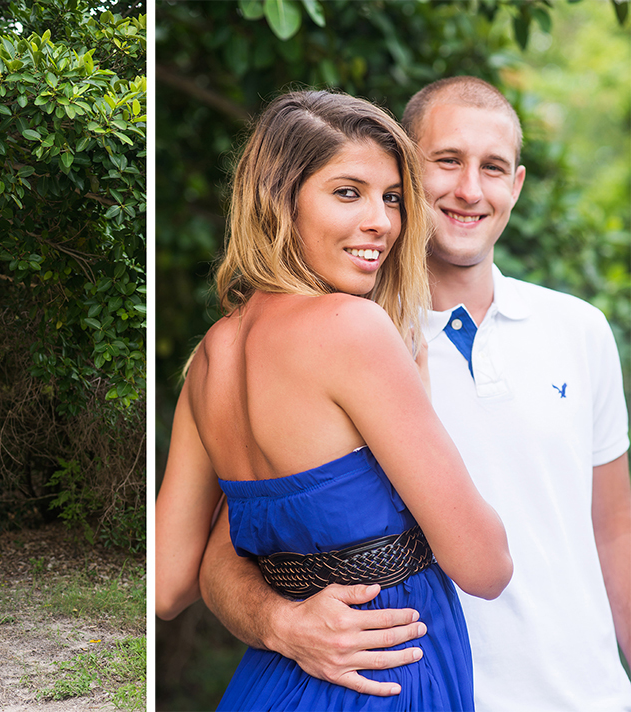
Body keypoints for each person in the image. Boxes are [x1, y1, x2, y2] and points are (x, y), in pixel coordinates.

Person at [183, 77, 631, 710]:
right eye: (446, 161)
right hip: (419, 684)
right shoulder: (338, 339)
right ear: (406, 167)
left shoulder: (580, 329)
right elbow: (225, 557)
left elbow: (616, 534)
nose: (471, 189)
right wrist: (281, 624)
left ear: (517, 185)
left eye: (493, 168)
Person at [155, 88, 512, 710]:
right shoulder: (354, 329)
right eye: (348, 192)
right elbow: (485, 566)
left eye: (393, 197)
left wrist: (279, 624)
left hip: (270, 682)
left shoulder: (208, 357)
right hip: (383, 676)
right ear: (279, 201)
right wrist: (415, 365)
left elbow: (165, 584)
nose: (382, 221)